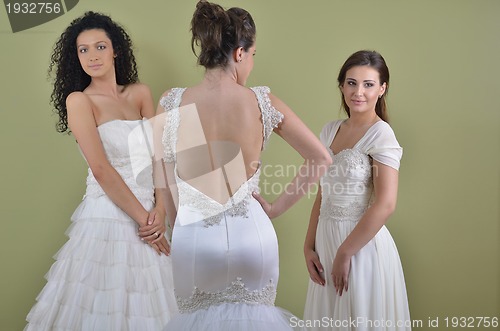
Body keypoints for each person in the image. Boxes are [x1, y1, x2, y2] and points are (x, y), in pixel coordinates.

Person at [153, 1, 331, 330]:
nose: (250, 64)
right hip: (252, 235)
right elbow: (321, 158)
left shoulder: (170, 102)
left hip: (194, 239)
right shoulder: (261, 101)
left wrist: (177, 228)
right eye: (252, 56)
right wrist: (275, 208)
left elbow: (164, 178)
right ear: (239, 53)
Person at [24, 11, 177, 330]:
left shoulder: (141, 93)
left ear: (115, 50)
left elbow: (159, 158)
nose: (92, 56)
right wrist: (145, 223)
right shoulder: (79, 101)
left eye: (100, 47)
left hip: (151, 215)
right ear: (75, 56)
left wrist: (160, 209)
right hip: (108, 217)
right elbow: (101, 169)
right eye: (83, 50)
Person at [303, 50, 411, 330]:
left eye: (368, 84)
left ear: (382, 88)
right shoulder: (329, 131)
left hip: (360, 246)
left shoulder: (381, 134)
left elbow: (385, 204)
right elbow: (322, 192)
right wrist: (308, 245)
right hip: (327, 242)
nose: (358, 92)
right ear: (341, 85)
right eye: (351, 83)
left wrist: (345, 252)